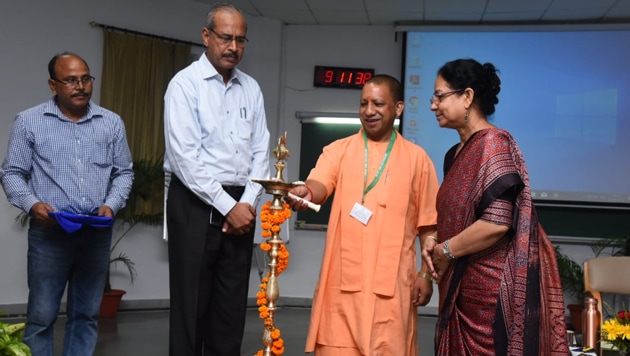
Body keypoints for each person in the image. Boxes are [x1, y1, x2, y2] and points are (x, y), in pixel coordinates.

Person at [421, 58, 569, 355]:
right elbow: (458, 215)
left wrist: (445, 250)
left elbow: (497, 223)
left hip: (487, 295)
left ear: (467, 97)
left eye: (439, 96)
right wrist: (434, 237)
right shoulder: (455, 154)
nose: (433, 106)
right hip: (459, 288)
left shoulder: (494, 143)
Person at [285, 74, 439, 355]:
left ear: (399, 108)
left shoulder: (418, 160)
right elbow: (319, 183)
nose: (369, 111)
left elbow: (429, 227)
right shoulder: (338, 151)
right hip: (342, 289)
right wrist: (307, 192)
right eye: (364, 103)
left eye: (378, 103)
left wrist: (426, 276)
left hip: (392, 291)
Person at [0, 52, 134, 356]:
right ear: (53, 84)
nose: (81, 86)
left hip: (95, 234)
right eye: (71, 80)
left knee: (86, 315)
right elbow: (12, 173)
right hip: (50, 234)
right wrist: (33, 204)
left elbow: (124, 172)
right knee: (41, 316)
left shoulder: (111, 122)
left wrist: (111, 204)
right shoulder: (29, 121)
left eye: (86, 79)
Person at [163, 3, 270, 355]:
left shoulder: (251, 88)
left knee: (229, 311)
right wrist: (229, 207)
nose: (233, 47)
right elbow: (184, 159)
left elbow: (261, 153)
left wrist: (246, 204)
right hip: (195, 203)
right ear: (206, 36)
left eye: (241, 40)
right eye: (226, 37)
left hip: (241, 206)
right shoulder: (184, 85)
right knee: (190, 309)